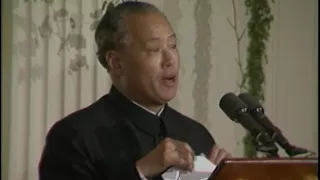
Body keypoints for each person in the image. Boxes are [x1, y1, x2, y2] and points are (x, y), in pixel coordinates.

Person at [38, 1, 231, 180]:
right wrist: (141, 171)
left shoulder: (197, 135)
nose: (170, 59)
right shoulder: (73, 137)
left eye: (172, 45)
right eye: (155, 49)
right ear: (117, 62)